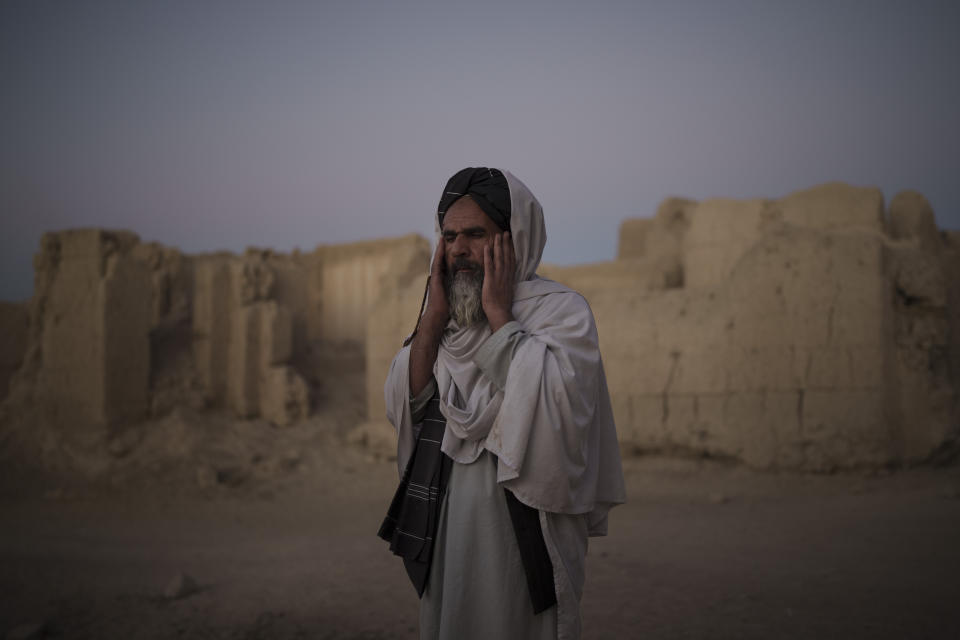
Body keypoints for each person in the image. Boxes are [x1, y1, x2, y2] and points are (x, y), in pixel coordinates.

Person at [378, 167, 625, 640]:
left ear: (515, 240)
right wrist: (431, 319)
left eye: (476, 234)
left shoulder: (561, 313)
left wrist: (499, 316)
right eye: (449, 236)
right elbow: (405, 405)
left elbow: (558, 411)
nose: (458, 249)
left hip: (523, 532)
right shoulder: (445, 323)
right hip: (449, 528)